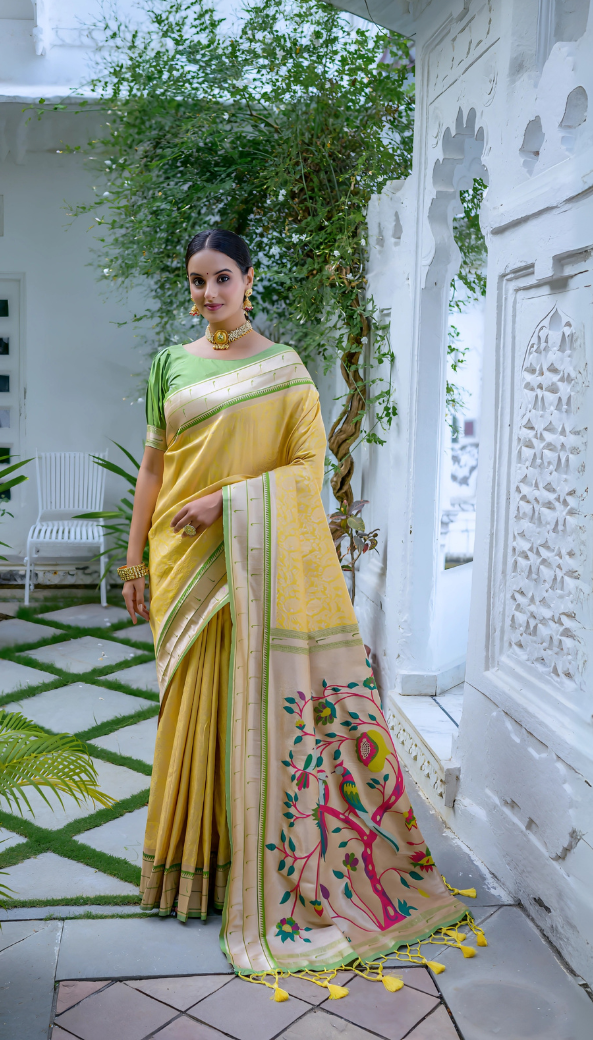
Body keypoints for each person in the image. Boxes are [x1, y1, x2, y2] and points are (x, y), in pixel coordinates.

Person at [118, 229, 469, 982]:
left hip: (246, 560)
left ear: (249, 281)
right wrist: (133, 557)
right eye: (195, 281)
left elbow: (308, 471)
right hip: (182, 565)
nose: (206, 294)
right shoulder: (169, 366)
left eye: (220, 279)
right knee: (188, 712)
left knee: (251, 709)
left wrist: (225, 502)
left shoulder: (285, 372)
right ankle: (189, 865)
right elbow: (152, 469)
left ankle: (251, 869)